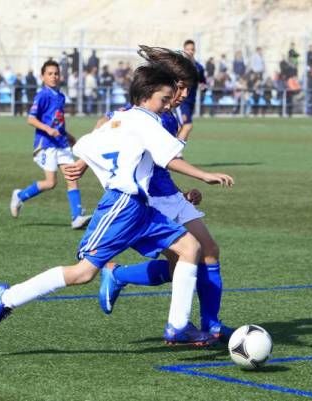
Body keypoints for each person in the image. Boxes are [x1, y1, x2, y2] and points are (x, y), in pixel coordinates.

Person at [0, 62, 234, 344]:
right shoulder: (144, 120)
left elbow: (91, 142)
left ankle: (178, 326)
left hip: (142, 206)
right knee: (83, 273)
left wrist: (83, 163)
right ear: (148, 94)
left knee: (192, 248)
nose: (168, 104)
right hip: (122, 206)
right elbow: (168, 158)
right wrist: (205, 175)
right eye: (165, 98)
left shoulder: (124, 120)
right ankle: (6, 297)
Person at [92, 46, 236, 342]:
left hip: (169, 194)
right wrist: (80, 162)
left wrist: (183, 192)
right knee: (187, 258)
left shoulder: (170, 116)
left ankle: (211, 324)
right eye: (181, 87)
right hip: (150, 199)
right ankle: (126, 283)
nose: (183, 94)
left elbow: (160, 162)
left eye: (188, 89)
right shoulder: (148, 112)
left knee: (206, 252)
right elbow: (105, 124)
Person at [9, 60, 91, 229]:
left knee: (72, 177)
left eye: (56, 73)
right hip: (46, 144)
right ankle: (20, 196)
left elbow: (58, 121)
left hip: (61, 143)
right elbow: (31, 119)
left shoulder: (60, 96)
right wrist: (47, 129)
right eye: (50, 74)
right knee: (50, 183)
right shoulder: (42, 95)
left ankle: (76, 217)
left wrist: (68, 136)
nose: (54, 76)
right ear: (43, 76)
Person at [177, 39, 206, 141]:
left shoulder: (199, 67)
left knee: (182, 126)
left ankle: (174, 150)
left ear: (195, 51)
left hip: (191, 101)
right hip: (180, 101)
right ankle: (175, 152)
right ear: (184, 50)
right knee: (187, 125)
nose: (190, 51)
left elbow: (203, 81)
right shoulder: (179, 66)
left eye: (192, 49)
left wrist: (203, 86)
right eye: (187, 49)